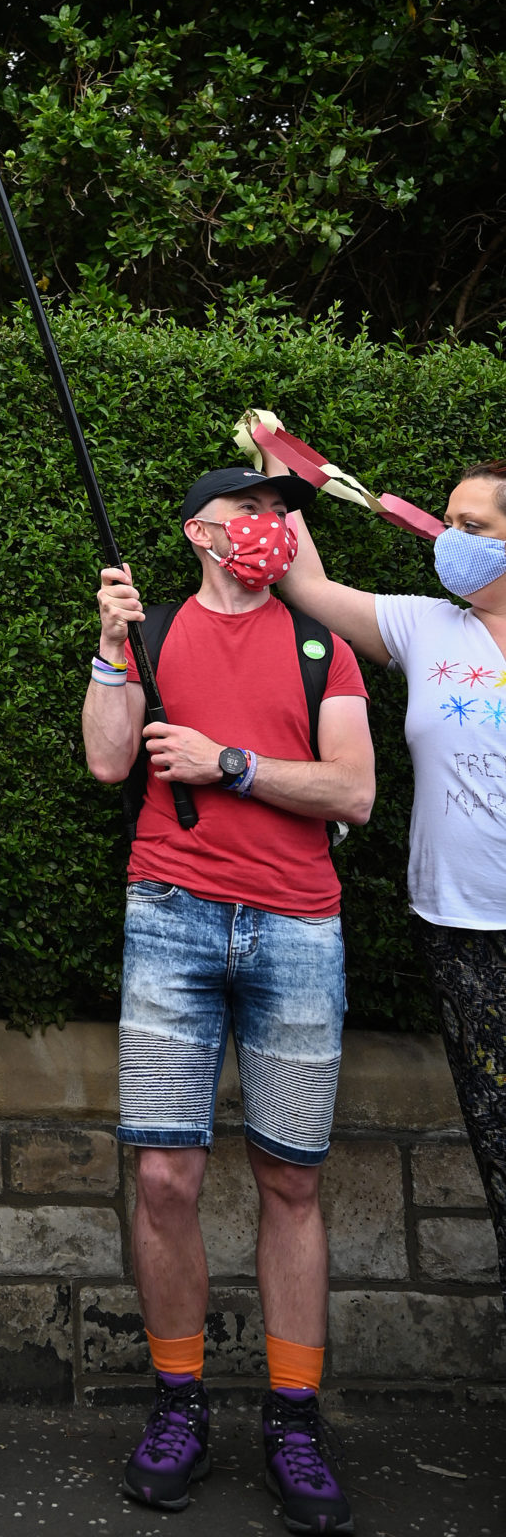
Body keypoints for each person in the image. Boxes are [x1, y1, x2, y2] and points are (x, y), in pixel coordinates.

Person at [86, 465, 374, 1532]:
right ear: (202, 531)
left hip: (298, 923)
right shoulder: (151, 632)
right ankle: (176, 1405)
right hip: (168, 915)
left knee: (288, 1180)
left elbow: (351, 788)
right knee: (163, 1175)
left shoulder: (319, 645)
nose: (275, 528)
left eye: (278, 514)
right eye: (255, 514)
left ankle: (292, 1420)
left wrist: (229, 764)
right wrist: (112, 650)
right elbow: (108, 760)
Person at [257, 436, 506, 1325]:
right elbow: (308, 590)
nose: (449, 539)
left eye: (470, 526)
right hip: (461, 929)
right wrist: (281, 479)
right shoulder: (422, 624)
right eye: (444, 522)